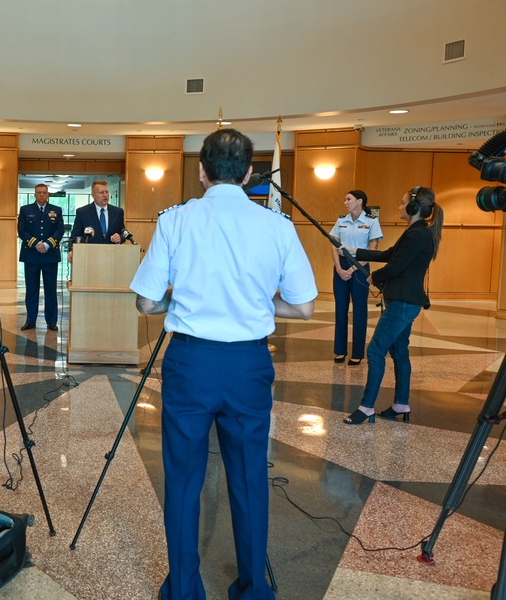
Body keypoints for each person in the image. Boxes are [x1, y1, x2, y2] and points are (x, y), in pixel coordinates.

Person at [130, 129, 317, 600]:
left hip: (190, 362)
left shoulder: (175, 220)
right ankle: (255, 589)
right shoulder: (276, 226)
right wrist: (251, 304)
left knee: (183, 480)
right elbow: (304, 308)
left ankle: (184, 590)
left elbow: (146, 303)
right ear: (251, 173)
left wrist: (188, 298)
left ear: (201, 171)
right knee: (250, 477)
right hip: (248, 365)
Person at [341, 185, 443, 425]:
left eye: (402, 202)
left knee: (375, 351)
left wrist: (374, 277)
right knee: (399, 352)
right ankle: (401, 403)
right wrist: (355, 251)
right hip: (405, 301)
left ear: (413, 207)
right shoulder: (416, 231)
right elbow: (390, 255)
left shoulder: (417, 234)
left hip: (402, 303)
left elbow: (396, 266)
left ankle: (366, 407)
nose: (399, 206)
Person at [329, 190, 382, 365]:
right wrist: (338, 268)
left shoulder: (371, 222)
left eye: (348, 199)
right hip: (340, 267)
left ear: (360, 201)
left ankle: (357, 353)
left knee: (359, 311)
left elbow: (372, 250)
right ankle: (340, 350)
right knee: (340, 310)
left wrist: (352, 269)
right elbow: (333, 243)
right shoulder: (341, 220)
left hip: (360, 268)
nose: (345, 202)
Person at [18, 183, 64, 331]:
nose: (42, 195)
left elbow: (60, 230)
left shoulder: (56, 210)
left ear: (48, 194)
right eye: (39, 192)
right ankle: (30, 320)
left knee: (51, 290)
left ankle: (51, 321)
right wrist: (37, 244)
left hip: (50, 256)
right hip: (31, 255)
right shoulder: (25, 210)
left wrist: (48, 244)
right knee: (31, 290)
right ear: (35, 194)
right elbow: (22, 231)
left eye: (44, 192)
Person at [68, 179, 125, 261]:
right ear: (93, 195)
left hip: (112, 257)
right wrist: (71, 250)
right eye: (101, 192)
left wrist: (120, 238)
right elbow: (75, 235)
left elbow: (123, 232)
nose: (105, 195)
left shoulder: (117, 212)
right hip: (90, 257)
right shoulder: (83, 212)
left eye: (107, 192)